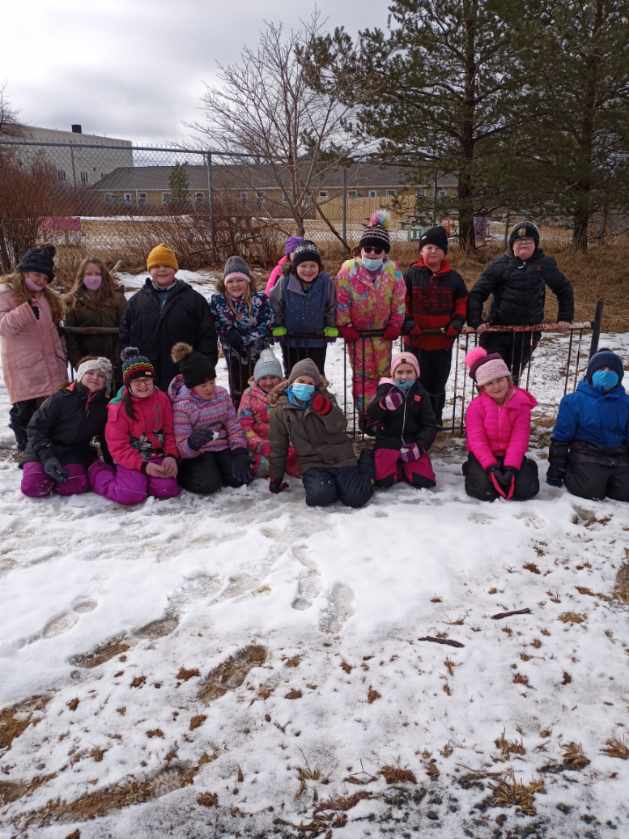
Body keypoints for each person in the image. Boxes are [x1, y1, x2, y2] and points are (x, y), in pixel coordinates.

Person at [467, 221, 574, 383]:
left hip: (527, 333)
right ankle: (487, 407)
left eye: (528, 242)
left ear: (535, 245)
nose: (523, 245)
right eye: (519, 242)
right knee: (491, 377)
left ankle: (511, 407)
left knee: (512, 378)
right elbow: (477, 293)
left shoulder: (544, 264)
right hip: (497, 332)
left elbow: (564, 289)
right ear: (512, 245)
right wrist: (476, 321)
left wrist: (564, 317)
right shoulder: (499, 265)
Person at [268, 358, 373, 508]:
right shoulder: (280, 410)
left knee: (356, 499)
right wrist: (276, 478)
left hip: (340, 457)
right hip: (312, 463)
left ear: (316, 386)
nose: (305, 386)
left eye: (310, 384)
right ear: (291, 382)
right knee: (319, 497)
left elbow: (340, 425)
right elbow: (278, 446)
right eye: (301, 381)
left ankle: (366, 462)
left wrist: (327, 411)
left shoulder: (325, 399)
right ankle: (336, 486)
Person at [335, 211, 406, 423]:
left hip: (382, 335)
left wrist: (396, 323)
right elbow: (341, 298)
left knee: (383, 375)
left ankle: (382, 415)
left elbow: (399, 299)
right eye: (368, 248)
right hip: (358, 336)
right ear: (361, 250)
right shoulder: (348, 270)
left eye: (378, 249)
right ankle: (365, 416)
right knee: (362, 376)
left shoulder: (393, 271)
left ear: (385, 252)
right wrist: (345, 324)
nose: (373, 253)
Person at [119, 243, 217, 391]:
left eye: (166, 265)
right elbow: (124, 336)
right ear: (149, 270)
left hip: (182, 376)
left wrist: (202, 367)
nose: (162, 269)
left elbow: (207, 336)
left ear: (175, 269)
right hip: (146, 377)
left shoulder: (194, 300)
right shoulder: (136, 302)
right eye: (156, 266)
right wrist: (130, 362)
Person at [89, 347, 180, 505]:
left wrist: (171, 456)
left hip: (156, 455)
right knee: (131, 494)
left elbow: (169, 432)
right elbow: (118, 448)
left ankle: (146, 482)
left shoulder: (162, 399)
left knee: (167, 490)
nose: (143, 386)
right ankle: (97, 472)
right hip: (130, 459)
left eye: (147, 380)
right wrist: (143, 466)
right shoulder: (118, 408)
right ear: (128, 384)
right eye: (137, 382)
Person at [0, 245, 67, 451]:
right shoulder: (6, 294)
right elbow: (3, 327)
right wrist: (24, 310)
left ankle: (48, 451)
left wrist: (63, 355)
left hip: (51, 366)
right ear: (24, 272)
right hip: (25, 369)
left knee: (49, 413)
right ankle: (27, 452)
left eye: (45, 277)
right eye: (36, 274)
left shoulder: (48, 298)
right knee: (25, 413)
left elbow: (54, 331)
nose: (40, 280)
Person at [403, 225, 468, 425]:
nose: (432, 251)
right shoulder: (411, 275)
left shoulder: (454, 279)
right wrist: (408, 322)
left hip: (442, 342)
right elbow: (401, 302)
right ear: (421, 251)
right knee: (415, 382)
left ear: (444, 252)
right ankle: (414, 420)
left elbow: (462, 303)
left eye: (437, 248)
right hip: (416, 341)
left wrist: (456, 323)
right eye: (428, 247)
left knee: (437, 383)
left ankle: (435, 420)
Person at [168, 342, 252, 495]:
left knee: (239, 478)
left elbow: (233, 426)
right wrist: (192, 443)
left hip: (221, 446)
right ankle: (184, 476)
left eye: (212, 382)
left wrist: (240, 451)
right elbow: (181, 445)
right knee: (207, 485)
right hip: (198, 452)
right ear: (192, 386)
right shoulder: (183, 405)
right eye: (203, 385)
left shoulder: (222, 395)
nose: (210, 388)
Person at [21, 357, 112, 498]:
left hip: (74, 452)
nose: (95, 378)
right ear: (81, 375)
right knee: (33, 487)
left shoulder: (104, 407)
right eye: (91, 373)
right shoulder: (60, 398)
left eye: (101, 376)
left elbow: (106, 438)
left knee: (73, 486)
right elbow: (36, 429)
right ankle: (39, 471)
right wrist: (48, 458)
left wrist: (111, 463)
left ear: (106, 382)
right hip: (42, 449)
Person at [547, 349, 629, 501]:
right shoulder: (574, 401)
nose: (606, 373)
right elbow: (561, 438)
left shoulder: (626, 403)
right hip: (586, 454)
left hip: (618, 455)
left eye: (612, 370)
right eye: (601, 369)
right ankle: (572, 472)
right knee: (589, 490)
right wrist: (556, 472)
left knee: (624, 493)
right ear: (591, 373)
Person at [462, 347, 539, 501]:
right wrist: (491, 466)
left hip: (510, 455)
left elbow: (520, 438)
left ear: (508, 379)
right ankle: (471, 467)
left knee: (525, 491)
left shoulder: (521, 404)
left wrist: (511, 466)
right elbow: (477, 441)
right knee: (484, 491)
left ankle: (526, 467)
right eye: (489, 383)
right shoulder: (476, 407)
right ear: (482, 387)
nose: (496, 386)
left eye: (500, 380)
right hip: (485, 456)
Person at [365, 352, 438, 489]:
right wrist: (383, 405)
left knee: (424, 481)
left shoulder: (421, 394)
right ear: (393, 374)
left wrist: (420, 446)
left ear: (416, 373)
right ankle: (389, 463)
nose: (404, 376)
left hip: (412, 442)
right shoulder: (385, 390)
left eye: (409, 371)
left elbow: (430, 425)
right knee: (383, 482)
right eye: (400, 372)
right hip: (387, 441)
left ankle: (405, 465)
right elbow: (370, 416)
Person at [209, 255, 274, 409]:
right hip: (232, 351)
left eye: (240, 280)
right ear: (224, 283)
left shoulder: (260, 300)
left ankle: (261, 413)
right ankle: (238, 413)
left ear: (248, 281)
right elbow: (214, 321)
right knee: (237, 384)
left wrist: (249, 339)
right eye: (230, 281)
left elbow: (268, 322)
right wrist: (228, 332)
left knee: (259, 383)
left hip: (257, 350)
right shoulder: (218, 301)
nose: (235, 285)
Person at [269, 240, 337, 376]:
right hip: (291, 339)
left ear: (319, 266)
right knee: (293, 374)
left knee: (315, 373)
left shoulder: (325, 282)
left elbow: (331, 305)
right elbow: (276, 304)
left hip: (317, 339)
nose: (308, 270)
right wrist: (277, 325)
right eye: (303, 266)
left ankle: (318, 397)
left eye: (313, 266)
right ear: (295, 266)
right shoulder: (285, 282)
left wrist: (330, 326)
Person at [63, 256, 127, 389]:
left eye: (97, 274)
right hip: (86, 368)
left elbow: (125, 331)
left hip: (114, 364)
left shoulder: (117, 300)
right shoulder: (72, 303)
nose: (93, 277)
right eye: (89, 274)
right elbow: (71, 339)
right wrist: (80, 364)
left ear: (104, 276)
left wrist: (116, 362)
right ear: (82, 276)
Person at [237, 348, 300, 479]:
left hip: (286, 443)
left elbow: (297, 419)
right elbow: (244, 425)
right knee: (263, 468)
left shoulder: (289, 392)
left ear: (280, 378)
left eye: (273, 377)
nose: (269, 382)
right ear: (256, 378)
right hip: (261, 445)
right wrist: (258, 444)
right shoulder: (248, 395)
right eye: (264, 378)